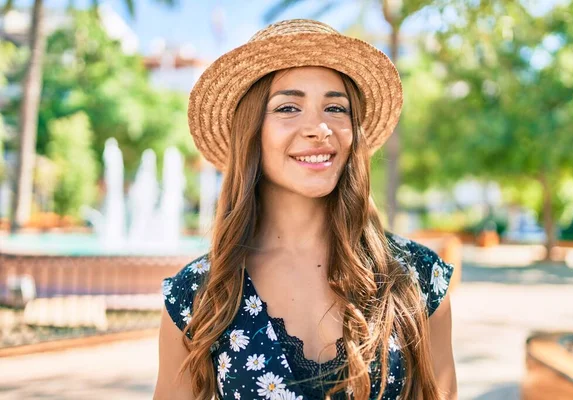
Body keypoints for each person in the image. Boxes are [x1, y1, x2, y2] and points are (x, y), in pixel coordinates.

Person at [154, 19, 457, 400]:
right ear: (251, 132)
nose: (319, 128)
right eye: (288, 107)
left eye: (335, 107)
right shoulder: (197, 295)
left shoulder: (416, 278)